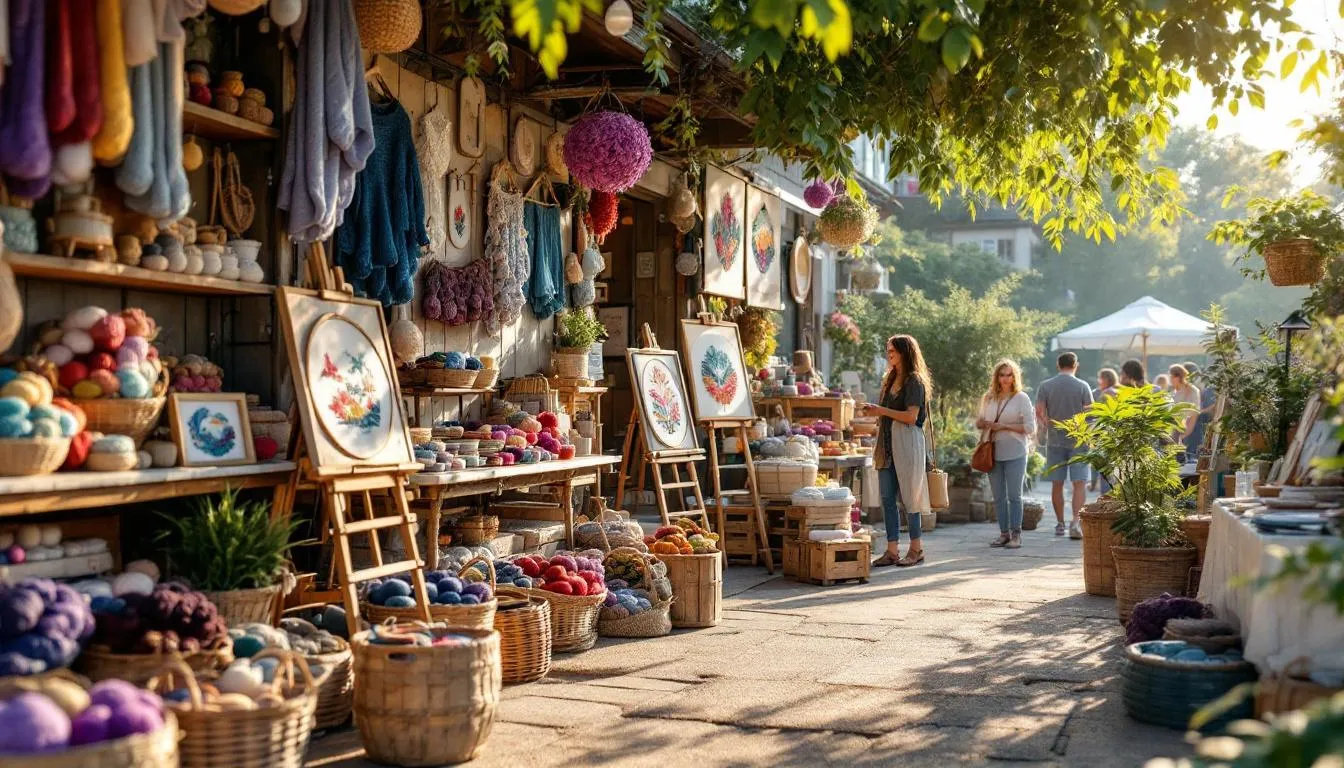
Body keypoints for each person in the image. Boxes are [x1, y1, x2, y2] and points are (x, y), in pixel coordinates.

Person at [862, 334, 932, 567]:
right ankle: (892, 550)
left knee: (911, 497)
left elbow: (911, 417)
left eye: (892, 350)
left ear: (905, 352)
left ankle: (916, 548)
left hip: (908, 443)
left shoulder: (914, 381)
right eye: (888, 350)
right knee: (887, 499)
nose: (888, 354)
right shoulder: (890, 378)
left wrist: (881, 411)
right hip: (887, 445)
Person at [1035, 352, 1094, 539]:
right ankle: (1075, 522)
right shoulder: (1083, 386)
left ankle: (1059, 523)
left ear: (1057, 365)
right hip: (1079, 439)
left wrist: (1046, 427)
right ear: (1076, 365)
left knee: (1057, 484)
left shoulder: (1045, 385)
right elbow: (1091, 414)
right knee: (1079, 483)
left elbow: (1039, 412)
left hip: (1054, 440)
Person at [978, 360, 1035, 548]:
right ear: (996, 377)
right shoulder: (989, 397)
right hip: (993, 451)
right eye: (1002, 375)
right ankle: (1003, 533)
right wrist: (981, 423)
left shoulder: (1021, 398)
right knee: (998, 496)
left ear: (1014, 376)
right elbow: (980, 421)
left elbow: (1030, 427)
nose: (1005, 379)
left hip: (1016, 451)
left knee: (1014, 495)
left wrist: (1004, 426)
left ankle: (1016, 534)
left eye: (1009, 375)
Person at [1088, 368, 1119, 491]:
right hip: (1098, 431)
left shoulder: (1112, 392)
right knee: (1098, 462)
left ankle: (1106, 492)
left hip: (1106, 432)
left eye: (1101, 378)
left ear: (1107, 379)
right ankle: (1098, 487)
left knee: (1105, 464)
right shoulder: (1096, 392)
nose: (1099, 380)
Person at [1167, 364, 1201, 460]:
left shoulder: (1192, 391)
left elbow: (1194, 414)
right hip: (1177, 432)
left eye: (1170, 377)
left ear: (1177, 377)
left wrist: (1184, 435)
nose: (1169, 380)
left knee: (1191, 459)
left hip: (1191, 431)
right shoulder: (1173, 393)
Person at [1183, 361, 1214, 458]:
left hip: (1199, 431)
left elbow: (1214, 406)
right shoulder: (1186, 391)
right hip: (1190, 432)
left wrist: (1199, 412)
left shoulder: (1207, 390)